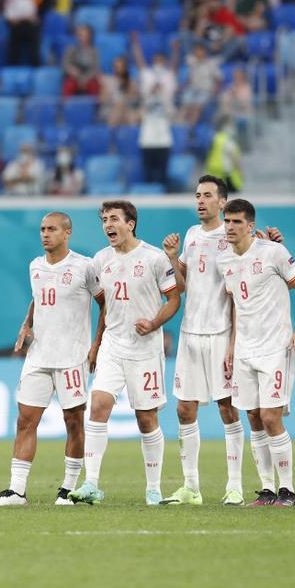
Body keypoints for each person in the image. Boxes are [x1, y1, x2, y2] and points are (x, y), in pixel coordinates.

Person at [0, 212, 104, 506]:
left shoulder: (84, 266)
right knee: (25, 421)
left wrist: (96, 344)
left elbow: (105, 304)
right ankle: (17, 491)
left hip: (72, 357)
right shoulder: (35, 266)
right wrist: (26, 323)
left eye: (51, 229)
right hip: (38, 356)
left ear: (67, 232)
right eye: (42, 229)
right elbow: (38, 298)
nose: (45, 234)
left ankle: (67, 490)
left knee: (73, 422)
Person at [69, 200, 181, 505]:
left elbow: (174, 299)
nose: (108, 224)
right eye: (104, 219)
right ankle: (91, 483)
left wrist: (154, 323)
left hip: (145, 349)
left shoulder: (154, 258)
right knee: (98, 406)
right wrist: (96, 344)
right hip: (113, 345)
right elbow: (105, 305)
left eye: (114, 218)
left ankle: (154, 489)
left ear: (130, 224)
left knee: (146, 418)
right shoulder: (100, 259)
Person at [217, 198, 295, 507]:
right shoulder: (224, 260)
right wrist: (232, 345)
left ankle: (288, 490)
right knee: (253, 417)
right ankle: (268, 489)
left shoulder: (273, 252)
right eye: (227, 221)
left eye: (236, 222)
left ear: (251, 226)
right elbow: (237, 305)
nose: (230, 227)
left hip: (274, 347)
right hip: (245, 349)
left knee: (271, 416)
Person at [159, 176, 245, 506]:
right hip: (190, 334)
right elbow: (181, 286)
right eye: (197, 195)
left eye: (208, 195)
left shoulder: (232, 237)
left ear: (222, 202)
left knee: (228, 408)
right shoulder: (192, 235)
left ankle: (234, 486)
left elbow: (237, 295)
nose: (200, 201)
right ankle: (191, 487)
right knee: (184, 409)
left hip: (220, 333)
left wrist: (234, 343)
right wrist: (172, 257)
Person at [62, 25, 101, 97]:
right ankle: (65, 103)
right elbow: (65, 64)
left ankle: (95, 104)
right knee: (69, 84)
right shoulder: (70, 49)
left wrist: (85, 79)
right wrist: (73, 72)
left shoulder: (94, 51)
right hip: (74, 77)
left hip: (89, 78)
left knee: (94, 85)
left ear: (90, 37)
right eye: (80, 35)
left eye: (85, 35)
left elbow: (95, 69)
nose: (82, 38)